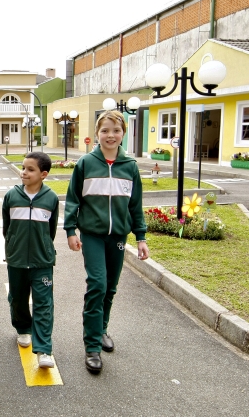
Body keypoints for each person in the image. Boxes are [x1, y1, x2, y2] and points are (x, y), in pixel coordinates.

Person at [63, 110, 150, 375]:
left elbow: (135, 205)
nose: (110, 135)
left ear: (123, 133)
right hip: (92, 234)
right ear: (97, 134)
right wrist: (70, 230)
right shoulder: (86, 163)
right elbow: (73, 199)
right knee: (98, 284)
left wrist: (141, 236)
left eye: (116, 130)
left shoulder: (130, 166)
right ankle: (91, 348)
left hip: (119, 237)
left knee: (110, 287)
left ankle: (101, 330)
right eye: (105, 130)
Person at [2, 151, 60, 369]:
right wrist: (14, 246)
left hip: (42, 262)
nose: (24, 172)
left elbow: (50, 231)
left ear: (43, 174)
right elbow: (7, 228)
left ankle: (44, 348)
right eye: (23, 168)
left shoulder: (51, 198)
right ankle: (23, 329)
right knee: (17, 299)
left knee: (44, 303)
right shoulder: (11, 196)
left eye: (30, 169)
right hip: (16, 260)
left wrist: (43, 247)